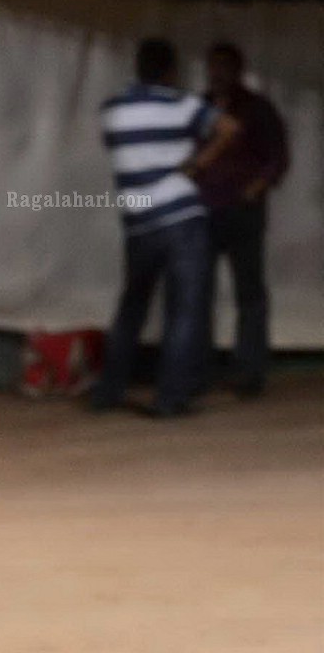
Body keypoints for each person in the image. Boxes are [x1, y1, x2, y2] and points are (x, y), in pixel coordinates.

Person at [93, 37, 237, 418]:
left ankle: (108, 391)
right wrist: (196, 163)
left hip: (138, 220)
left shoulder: (112, 109)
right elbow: (228, 129)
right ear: (172, 71)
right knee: (184, 310)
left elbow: (117, 146)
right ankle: (170, 398)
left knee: (131, 308)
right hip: (180, 217)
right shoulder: (182, 104)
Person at [197, 42, 290, 398]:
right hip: (204, 211)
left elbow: (278, 156)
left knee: (249, 294)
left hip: (244, 212)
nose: (218, 73)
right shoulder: (199, 107)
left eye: (225, 66)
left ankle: (249, 373)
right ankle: (198, 371)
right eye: (213, 66)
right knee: (198, 292)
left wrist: (258, 186)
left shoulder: (257, 108)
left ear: (238, 70)